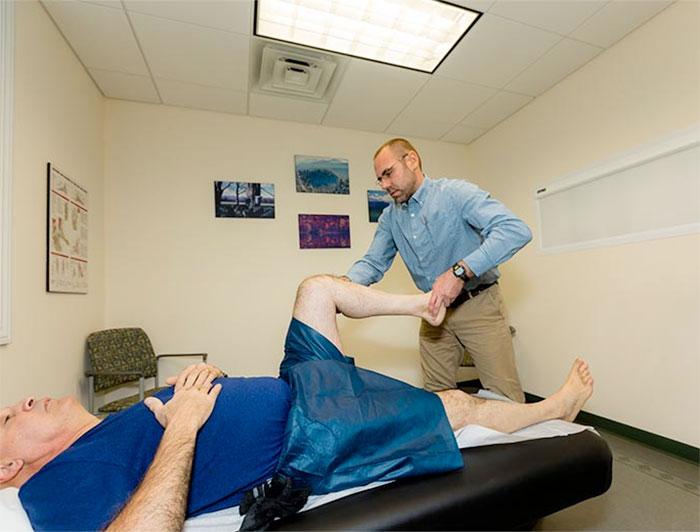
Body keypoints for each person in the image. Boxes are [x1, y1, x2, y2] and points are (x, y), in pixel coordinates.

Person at [0, 275, 593, 531]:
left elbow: (210, 411)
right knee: (454, 405)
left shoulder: (101, 430)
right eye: (7, 418)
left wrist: (209, 380)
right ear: (6, 469)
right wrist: (183, 424)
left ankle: (421, 306)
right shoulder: (47, 490)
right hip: (311, 435)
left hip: (297, 391)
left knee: (317, 290)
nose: (22, 400)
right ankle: (554, 409)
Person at [345, 138, 533, 402]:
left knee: (505, 398)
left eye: (388, 173)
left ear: (411, 160)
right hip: (432, 310)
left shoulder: (455, 193)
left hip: (478, 304)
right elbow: (373, 262)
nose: (385, 185)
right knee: (438, 398)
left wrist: (460, 271)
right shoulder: (389, 218)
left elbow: (515, 231)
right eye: (379, 179)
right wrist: (341, 285)